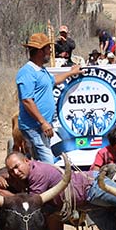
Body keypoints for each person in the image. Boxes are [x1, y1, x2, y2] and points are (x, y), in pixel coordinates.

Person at [16, 33, 83, 163]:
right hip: (33, 127)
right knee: (49, 164)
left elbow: (53, 81)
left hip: (42, 127)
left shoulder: (42, 70)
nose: (51, 51)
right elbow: (27, 100)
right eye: (48, 48)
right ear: (40, 51)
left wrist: (70, 72)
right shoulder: (27, 72)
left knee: (41, 163)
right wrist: (43, 122)